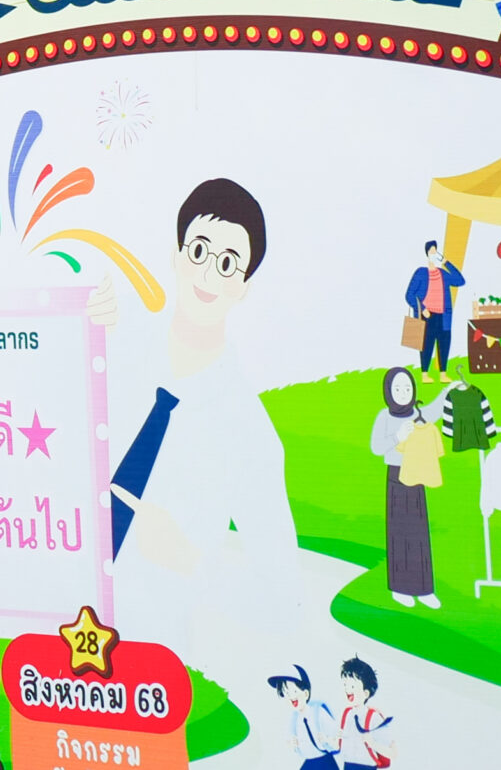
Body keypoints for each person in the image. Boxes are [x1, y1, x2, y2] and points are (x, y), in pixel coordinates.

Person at [88, 178, 302, 663]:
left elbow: (283, 602)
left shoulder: (249, 434)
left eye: (228, 264)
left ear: (243, 286)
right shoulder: (114, 345)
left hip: (151, 661)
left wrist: (192, 561)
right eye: (200, 251)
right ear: (177, 255)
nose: (208, 274)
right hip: (54, 636)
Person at [369, 367, 443, 609]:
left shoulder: (418, 413)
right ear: (388, 391)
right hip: (397, 477)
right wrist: (397, 437)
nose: (403, 392)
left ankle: (424, 589)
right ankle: (400, 589)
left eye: (408, 387)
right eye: (398, 388)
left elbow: (435, 410)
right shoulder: (384, 416)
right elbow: (376, 448)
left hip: (418, 473)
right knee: (400, 534)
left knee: (419, 534)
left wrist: (449, 391)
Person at [402, 240, 464, 384]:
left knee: (444, 343)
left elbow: (460, 280)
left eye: (436, 251)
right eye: (431, 251)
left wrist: (445, 262)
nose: (434, 254)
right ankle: (425, 374)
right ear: (427, 254)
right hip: (427, 316)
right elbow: (409, 295)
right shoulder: (421, 273)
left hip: (443, 315)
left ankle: (443, 374)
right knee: (426, 344)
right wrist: (423, 309)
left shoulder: (443, 274)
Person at [268, 665, 338, 770]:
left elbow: (336, 735)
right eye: (286, 694)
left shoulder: (317, 712)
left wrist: (327, 739)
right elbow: (290, 740)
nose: (291, 697)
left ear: (305, 693)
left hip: (324, 761)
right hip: (310, 762)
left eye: (294, 691)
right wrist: (292, 743)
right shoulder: (295, 719)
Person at [334, 659, 394, 767]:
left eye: (352, 686)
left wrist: (372, 744)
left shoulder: (373, 717)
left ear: (366, 693)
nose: (348, 690)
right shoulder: (346, 714)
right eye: (345, 685)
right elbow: (338, 747)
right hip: (347, 765)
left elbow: (392, 753)